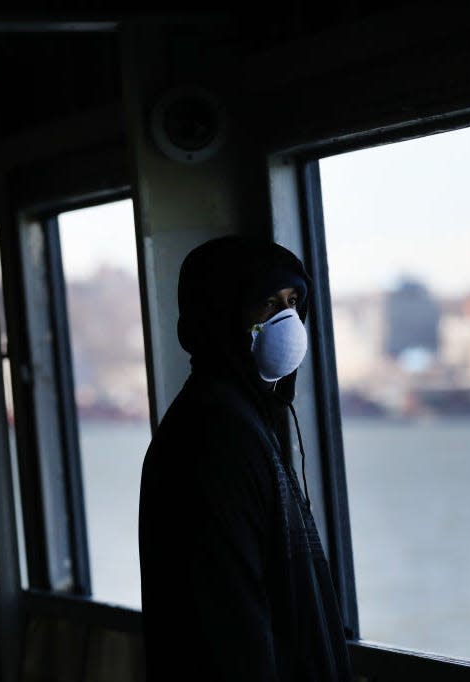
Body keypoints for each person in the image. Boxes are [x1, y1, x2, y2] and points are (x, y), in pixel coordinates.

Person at [138, 235, 351, 681]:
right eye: (267, 305)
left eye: (293, 302)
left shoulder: (246, 421)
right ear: (220, 317)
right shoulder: (214, 437)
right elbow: (231, 623)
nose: (288, 320)